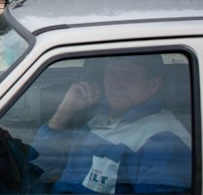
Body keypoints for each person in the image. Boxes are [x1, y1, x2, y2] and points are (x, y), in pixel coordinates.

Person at [31, 55, 192, 194]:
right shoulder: (102, 116)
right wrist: (65, 111)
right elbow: (39, 165)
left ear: (153, 85)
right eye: (111, 73)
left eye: (128, 76)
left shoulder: (163, 140)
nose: (116, 84)